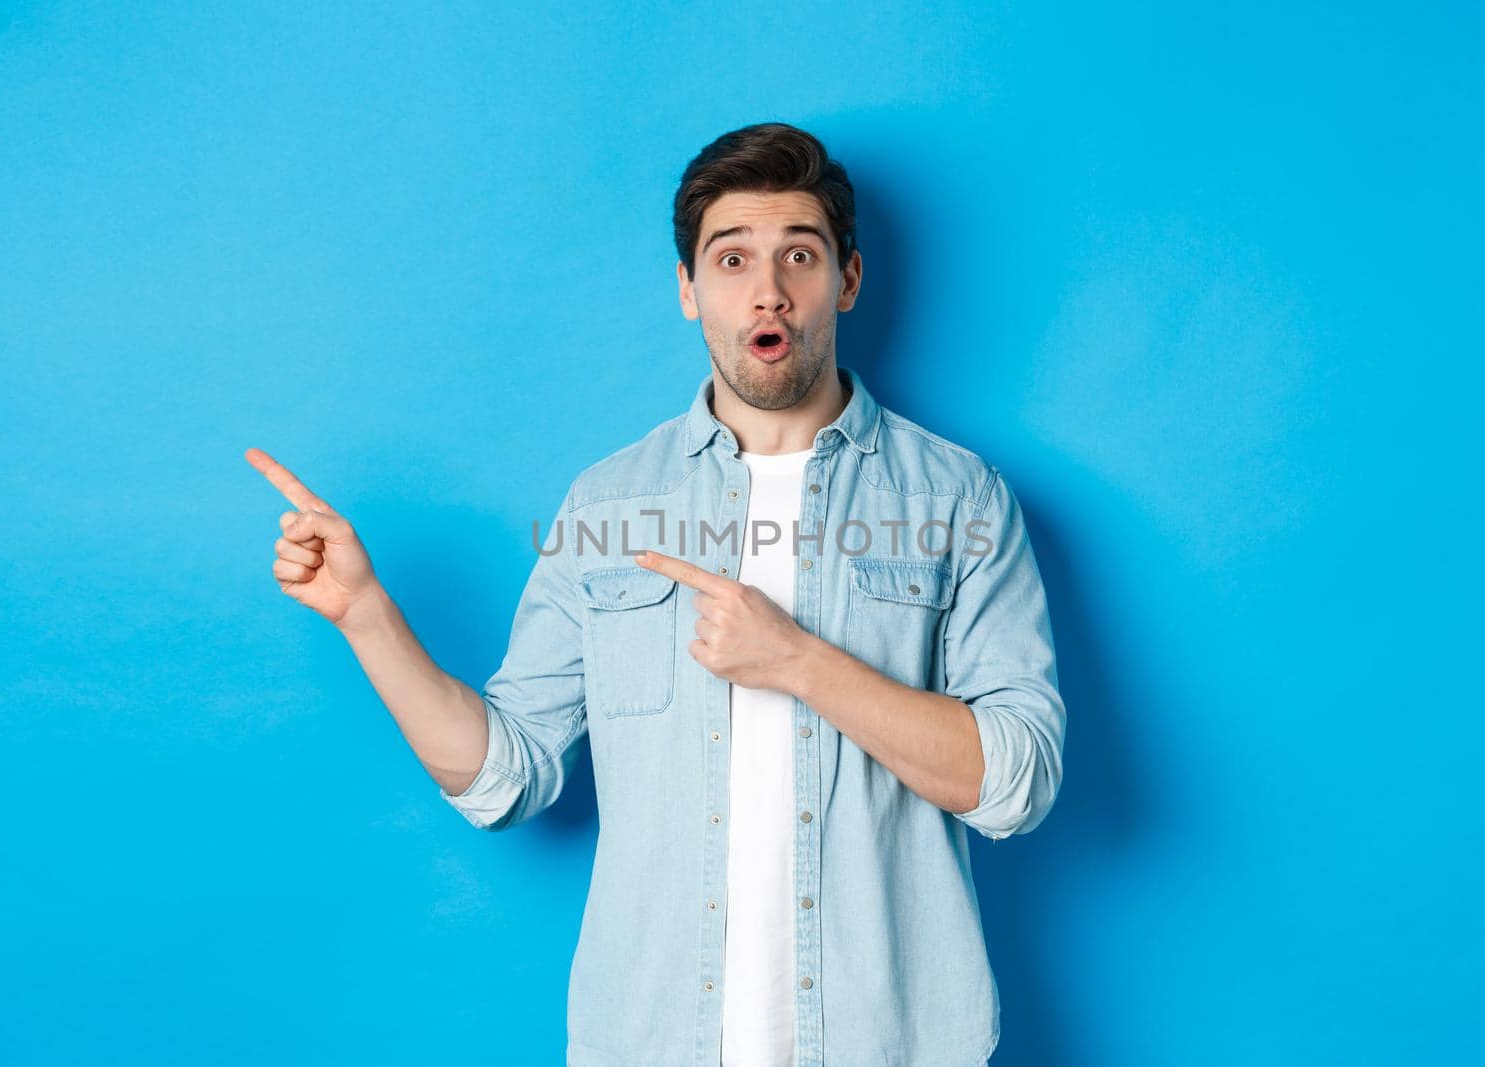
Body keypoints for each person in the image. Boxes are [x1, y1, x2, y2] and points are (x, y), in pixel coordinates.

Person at [246, 122, 1066, 1067]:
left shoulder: (957, 498)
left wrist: (796, 659)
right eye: (732, 259)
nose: (768, 289)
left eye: (800, 254)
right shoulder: (609, 505)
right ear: (689, 290)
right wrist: (366, 617)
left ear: (845, 280)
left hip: (896, 1043)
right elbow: (504, 777)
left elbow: (1017, 780)